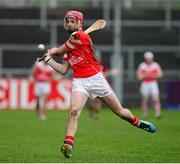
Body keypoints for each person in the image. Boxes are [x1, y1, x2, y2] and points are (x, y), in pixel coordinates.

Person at [41, 10, 156, 158]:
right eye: (67, 20)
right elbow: (63, 70)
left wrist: (52, 52)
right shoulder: (71, 46)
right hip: (80, 82)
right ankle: (68, 144)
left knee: (120, 112)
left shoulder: (79, 37)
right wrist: (49, 61)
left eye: (72, 20)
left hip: (96, 79)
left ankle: (139, 123)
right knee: (74, 112)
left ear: (79, 23)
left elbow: (59, 50)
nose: (69, 23)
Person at [137, 51, 163, 119]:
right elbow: (139, 77)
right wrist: (146, 76)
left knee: (156, 99)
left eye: (150, 58)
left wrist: (150, 75)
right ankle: (145, 114)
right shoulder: (142, 65)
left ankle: (158, 114)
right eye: (148, 58)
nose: (149, 60)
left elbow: (160, 74)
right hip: (145, 84)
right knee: (145, 100)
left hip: (153, 83)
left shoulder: (155, 65)